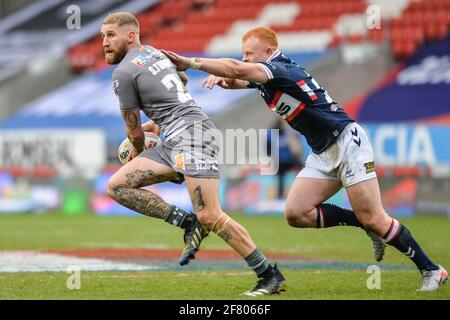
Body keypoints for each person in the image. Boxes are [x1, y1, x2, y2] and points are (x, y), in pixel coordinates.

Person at [162, 26, 448, 291]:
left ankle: (432, 270)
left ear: (268, 51)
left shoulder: (279, 69)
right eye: (244, 53)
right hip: (323, 151)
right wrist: (228, 82)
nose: (245, 57)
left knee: (375, 217)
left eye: (250, 53)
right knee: (297, 213)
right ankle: (365, 225)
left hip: (346, 142)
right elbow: (243, 78)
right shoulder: (271, 74)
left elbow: (238, 69)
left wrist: (192, 63)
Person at [100, 13, 287, 296]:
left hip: (192, 137)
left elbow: (135, 133)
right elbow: (182, 79)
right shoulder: (153, 53)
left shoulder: (123, 73)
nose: (104, 43)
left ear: (131, 36)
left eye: (111, 35)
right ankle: (188, 223)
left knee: (210, 214)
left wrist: (138, 152)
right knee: (117, 186)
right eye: (103, 36)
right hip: (179, 136)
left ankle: (269, 275)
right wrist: (161, 125)